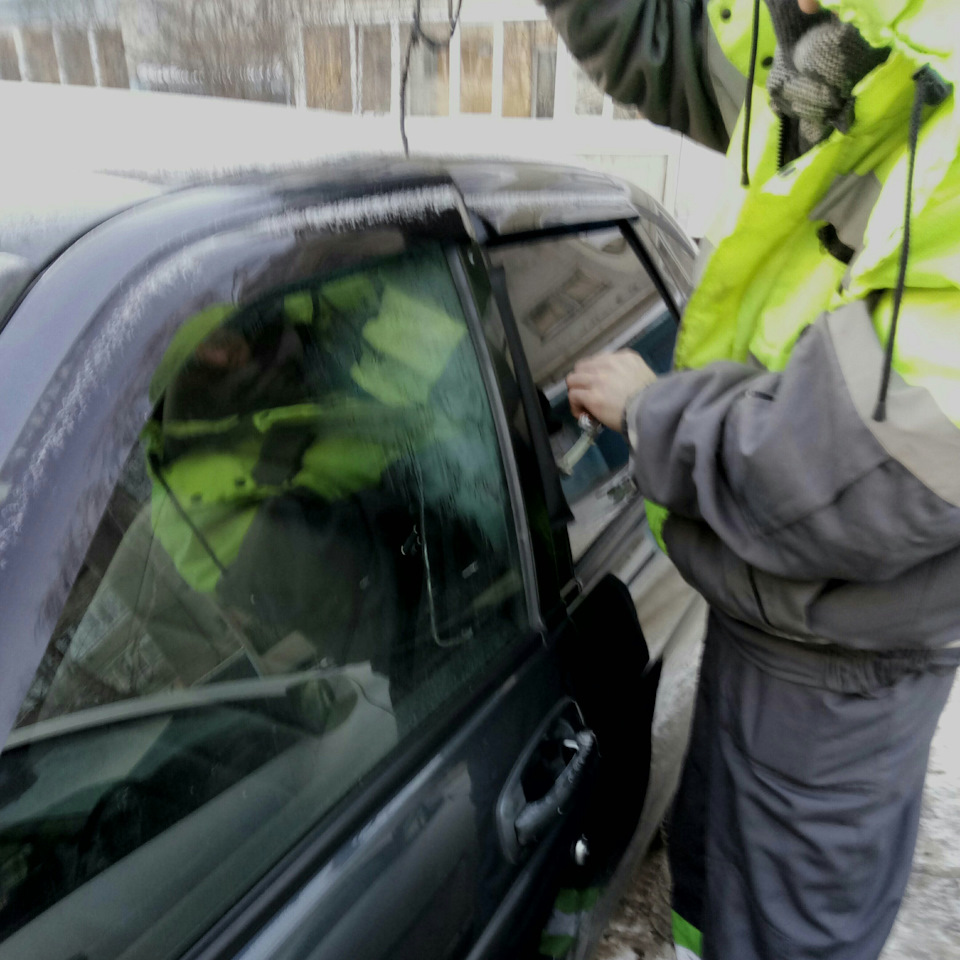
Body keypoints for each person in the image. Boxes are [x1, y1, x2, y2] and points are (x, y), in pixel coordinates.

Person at [543, 0, 960, 957]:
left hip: (841, 660)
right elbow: (669, 45)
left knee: (783, 930)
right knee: (713, 883)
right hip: (772, 605)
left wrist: (654, 414)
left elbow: (857, 481)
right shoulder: (825, 32)